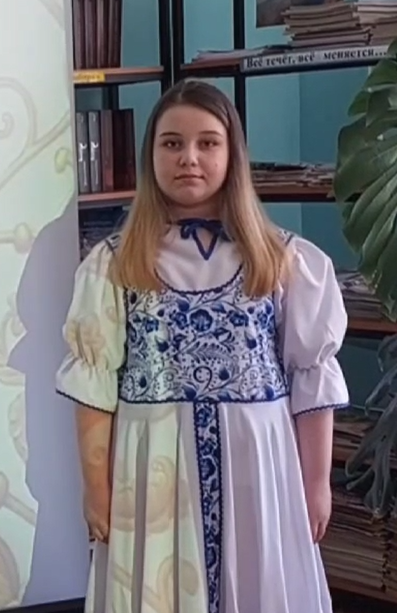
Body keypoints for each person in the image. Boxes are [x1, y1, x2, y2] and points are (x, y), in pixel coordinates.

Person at [56, 79, 349, 613]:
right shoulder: (115, 263)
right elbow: (94, 386)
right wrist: (95, 488)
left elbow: (311, 374)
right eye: (171, 143)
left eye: (207, 143)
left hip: (257, 464)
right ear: (151, 155)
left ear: (232, 154)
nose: (189, 158)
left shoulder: (284, 259)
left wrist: (315, 482)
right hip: (154, 466)